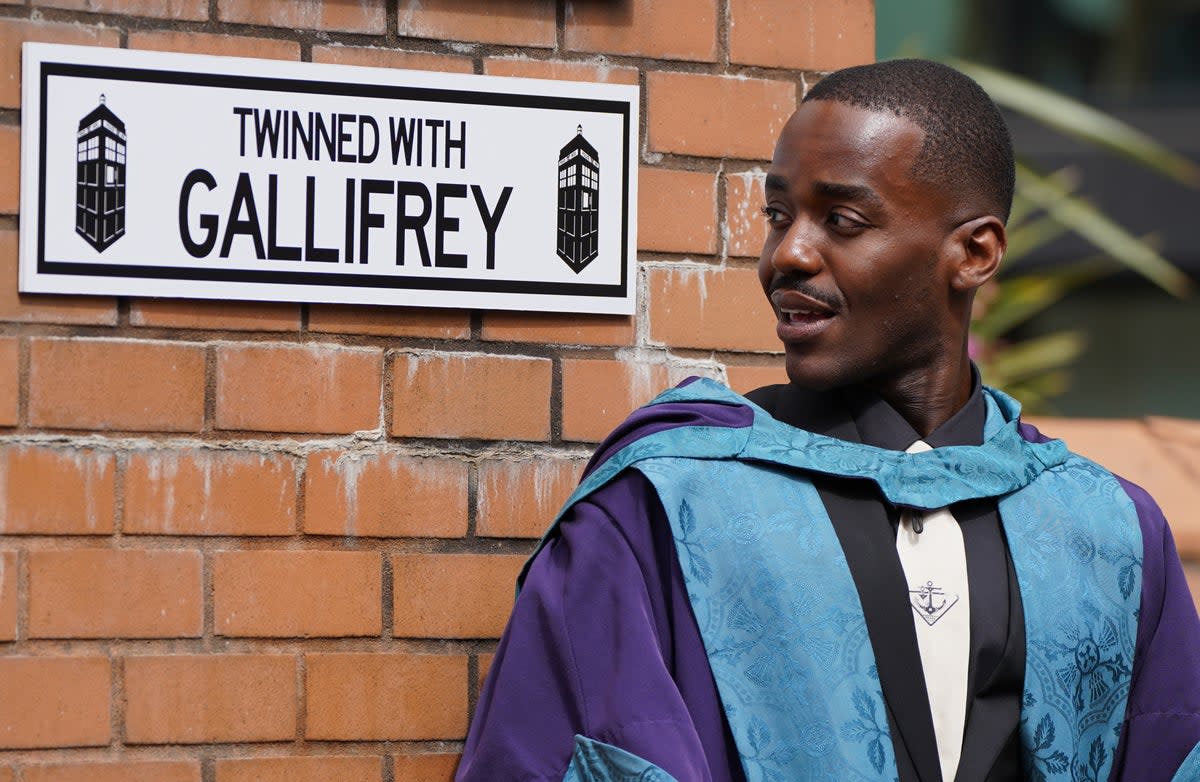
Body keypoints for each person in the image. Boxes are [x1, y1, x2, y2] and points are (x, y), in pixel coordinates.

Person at [455, 59, 1200, 782]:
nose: (788, 254)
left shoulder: (1105, 531)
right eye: (778, 215)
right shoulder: (666, 508)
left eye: (840, 220)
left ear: (974, 253)